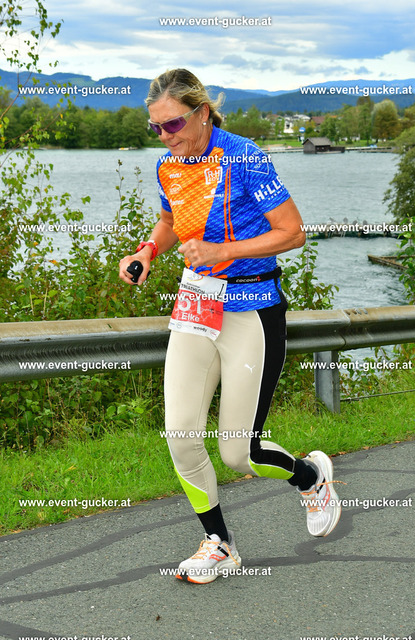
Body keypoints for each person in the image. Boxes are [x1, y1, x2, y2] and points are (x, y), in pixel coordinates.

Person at [119, 68, 341, 584]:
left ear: (201, 113)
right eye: (156, 128)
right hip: (196, 303)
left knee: (240, 452)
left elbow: (293, 232)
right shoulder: (169, 166)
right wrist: (148, 251)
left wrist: (224, 251)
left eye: (173, 125)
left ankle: (311, 477)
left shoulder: (244, 157)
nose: (165, 136)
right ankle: (219, 543)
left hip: (252, 308)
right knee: (180, 435)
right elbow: (172, 220)